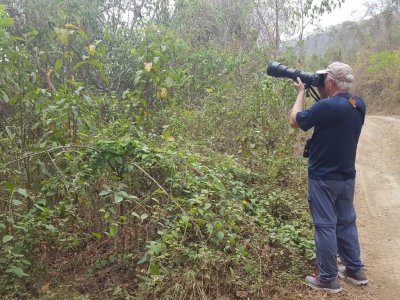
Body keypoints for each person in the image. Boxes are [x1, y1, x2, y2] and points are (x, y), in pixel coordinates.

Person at [289, 62, 368, 293]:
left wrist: (302, 93)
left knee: (325, 225)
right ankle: (355, 270)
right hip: (346, 177)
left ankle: (328, 279)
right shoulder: (358, 104)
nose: (322, 82)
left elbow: (295, 120)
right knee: (346, 222)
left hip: (323, 177)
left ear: (331, 82)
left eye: (324, 79)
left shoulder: (326, 108)